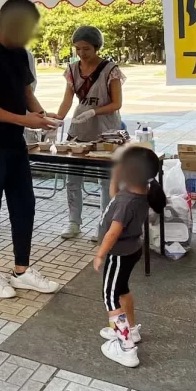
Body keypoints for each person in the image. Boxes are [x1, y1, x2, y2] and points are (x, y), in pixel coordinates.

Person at [0, 0, 61, 299]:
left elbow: (26, 93)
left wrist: (42, 116)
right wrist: (24, 119)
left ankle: (21, 270)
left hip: (13, 141)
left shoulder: (20, 53)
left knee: (24, 204)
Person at [93, 145, 166, 368]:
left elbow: (113, 232)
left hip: (118, 254)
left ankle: (126, 348)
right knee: (122, 289)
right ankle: (131, 330)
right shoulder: (140, 191)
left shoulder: (128, 202)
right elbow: (114, 195)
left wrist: (100, 254)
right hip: (131, 250)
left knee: (110, 296)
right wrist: (116, 174)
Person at [55, 26, 125, 239]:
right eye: (77, 48)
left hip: (106, 129)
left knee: (106, 180)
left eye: (86, 48)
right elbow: (67, 100)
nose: (81, 53)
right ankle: (73, 223)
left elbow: (117, 103)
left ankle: (104, 226)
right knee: (73, 177)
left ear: (96, 47)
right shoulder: (72, 69)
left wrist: (94, 111)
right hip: (80, 128)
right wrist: (57, 118)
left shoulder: (110, 69)